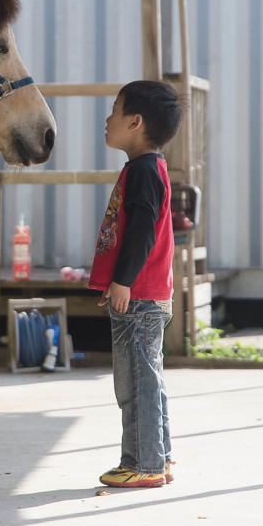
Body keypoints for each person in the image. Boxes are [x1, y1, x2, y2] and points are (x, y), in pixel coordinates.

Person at [88, 80, 182, 488]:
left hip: (139, 297)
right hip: (145, 294)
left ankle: (142, 464)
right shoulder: (145, 169)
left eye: (114, 109)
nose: (107, 119)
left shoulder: (144, 172)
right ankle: (158, 458)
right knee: (149, 378)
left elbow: (142, 231)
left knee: (135, 384)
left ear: (136, 122)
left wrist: (123, 281)